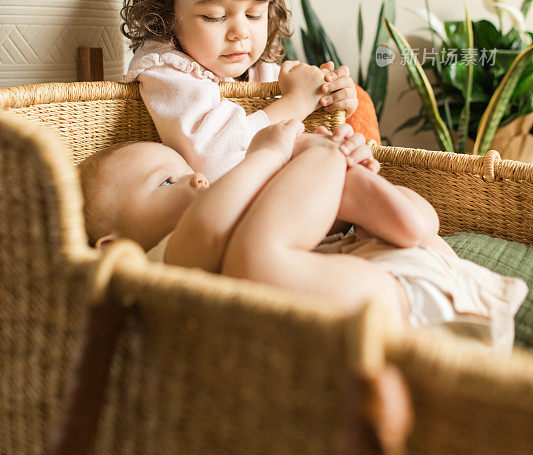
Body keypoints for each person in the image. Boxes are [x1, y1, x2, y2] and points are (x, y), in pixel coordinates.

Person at [79, 123, 527, 350]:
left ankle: (362, 189)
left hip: (402, 274)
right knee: (256, 260)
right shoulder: (152, 264)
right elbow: (210, 228)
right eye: (166, 182)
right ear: (114, 246)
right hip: (402, 299)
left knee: (264, 252)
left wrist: (329, 184)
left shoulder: (237, 220)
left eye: (190, 170)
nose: (197, 180)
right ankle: (340, 173)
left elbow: (304, 227)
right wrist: (272, 152)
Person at [121, 0, 360, 181]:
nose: (240, 33)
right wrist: (295, 103)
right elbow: (217, 163)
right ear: (165, 16)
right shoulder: (167, 72)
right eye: (215, 16)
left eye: (253, 14)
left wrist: (329, 103)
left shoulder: (259, 67)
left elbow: (295, 146)